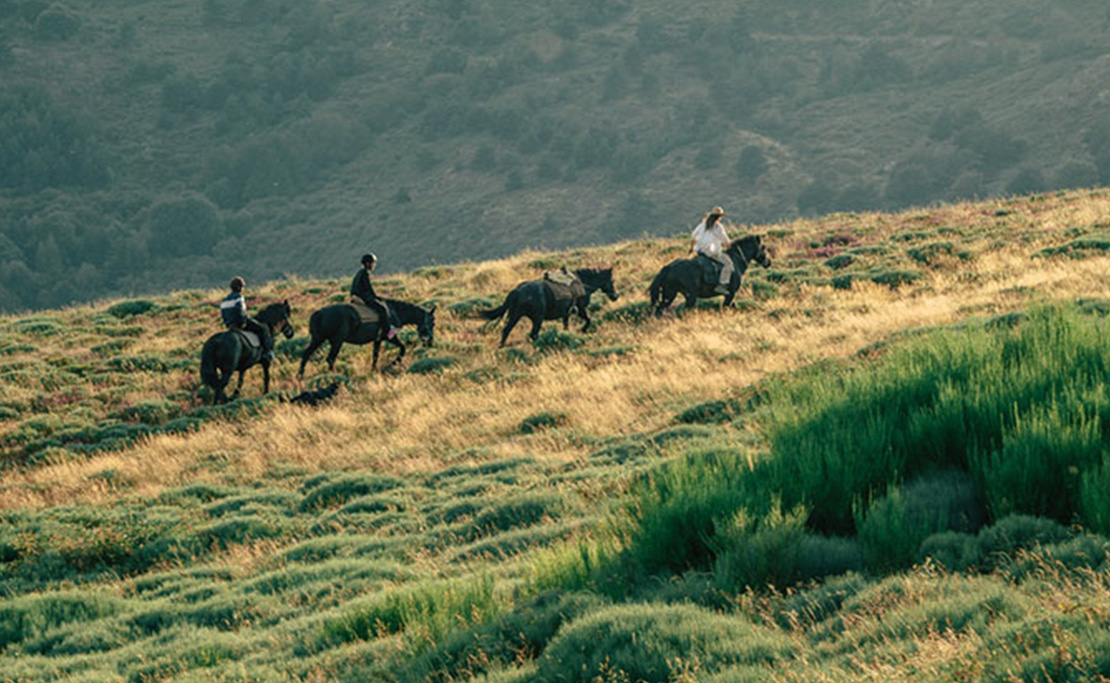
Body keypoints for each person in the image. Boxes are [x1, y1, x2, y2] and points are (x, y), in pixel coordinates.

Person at [221, 276, 274, 360]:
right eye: (242, 287)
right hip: (239, 322)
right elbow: (240, 310)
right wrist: (243, 321)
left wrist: (227, 323)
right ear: (238, 287)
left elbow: (223, 314)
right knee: (263, 328)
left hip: (229, 325)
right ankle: (267, 352)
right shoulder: (239, 297)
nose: (242, 289)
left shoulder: (225, 300)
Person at [350, 253, 399, 339]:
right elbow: (368, 289)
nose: (374, 265)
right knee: (382, 309)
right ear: (368, 264)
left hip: (357, 296)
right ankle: (387, 331)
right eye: (373, 263)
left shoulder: (360, 273)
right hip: (362, 297)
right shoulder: (365, 273)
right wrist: (376, 297)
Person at [689, 205, 732, 294]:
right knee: (728, 264)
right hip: (712, 253)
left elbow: (693, 237)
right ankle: (722, 285)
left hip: (700, 251)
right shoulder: (718, 227)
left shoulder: (702, 224)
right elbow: (725, 240)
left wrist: (691, 248)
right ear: (719, 217)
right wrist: (728, 246)